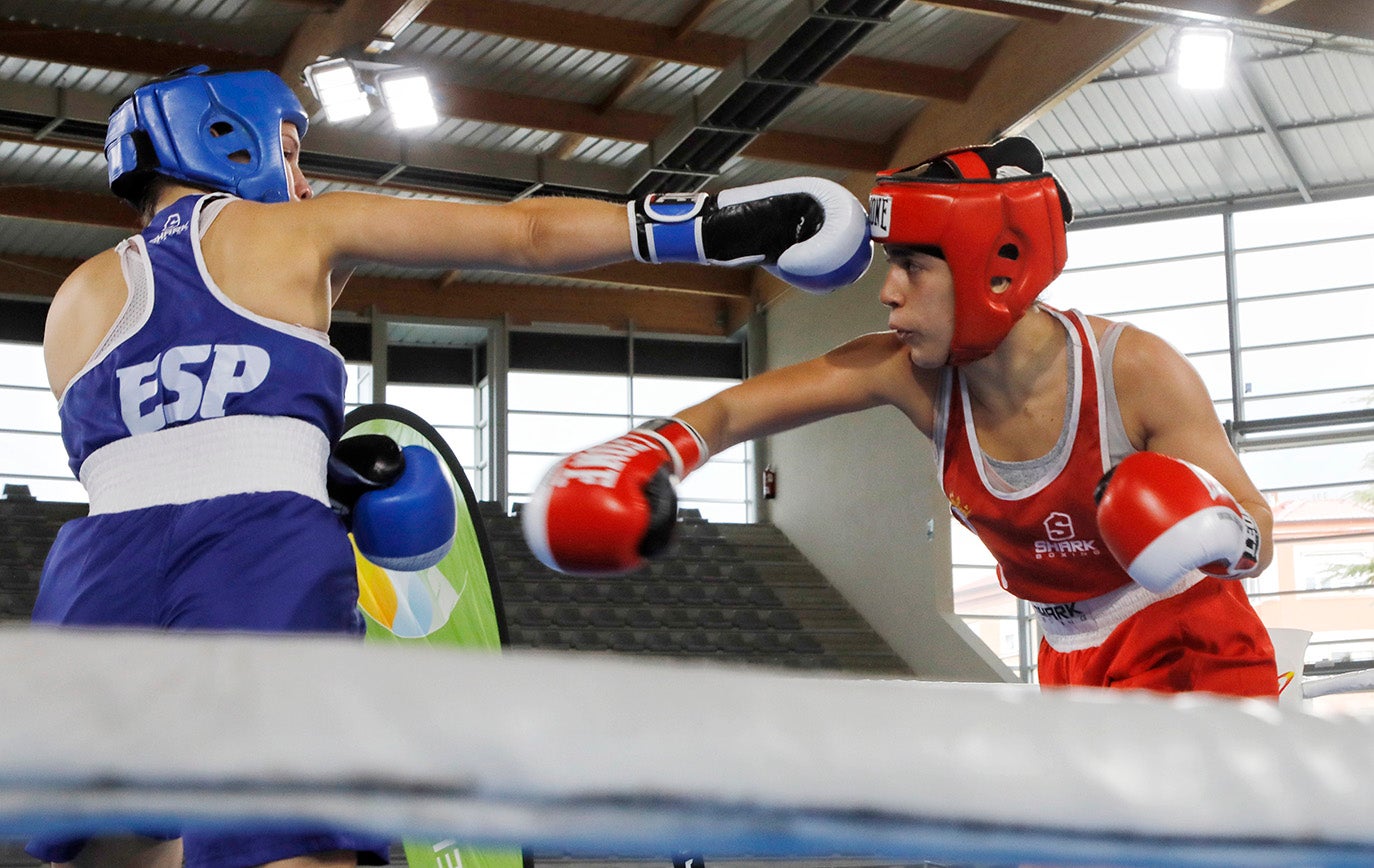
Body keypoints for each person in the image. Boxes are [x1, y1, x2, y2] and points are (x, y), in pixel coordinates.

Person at [29, 65, 871, 868]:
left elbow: (164, 452)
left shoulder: (74, 299)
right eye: (289, 152)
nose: (304, 181)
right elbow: (526, 235)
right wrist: (722, 224)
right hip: (253, 556)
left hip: (92, 579)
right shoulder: (294, 231)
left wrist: (309, 466)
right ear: (228, 138)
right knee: (288, 837)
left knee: (116, 849)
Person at [524, 135, 1279, 700]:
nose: (888, 292)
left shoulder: (1133, 370)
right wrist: (647, 450)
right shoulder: (911, 375)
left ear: (996, 267)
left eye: (912, 266)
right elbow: (729, 411)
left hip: (1192, 642)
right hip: (1063, 652)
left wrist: (1215, 533)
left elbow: (1258, 529)